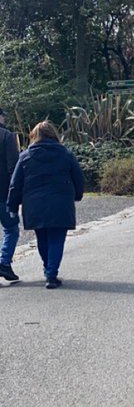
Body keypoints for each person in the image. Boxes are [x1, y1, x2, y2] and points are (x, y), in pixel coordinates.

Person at [7, 120, 84, 288]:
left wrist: (12, 206)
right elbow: (78, 177)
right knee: (57, 238)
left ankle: (47, 268)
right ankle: (51, 273)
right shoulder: (66, 154)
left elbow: (15, 183)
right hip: (60, 202)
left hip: (34, 204)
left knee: (42, 237)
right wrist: (77, 195)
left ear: (35, 136)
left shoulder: (26, 156)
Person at [0, 106, 20, 283]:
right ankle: (4, 262)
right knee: (11, 229)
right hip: (3, 192)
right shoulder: (7, 136)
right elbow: (13, 167)